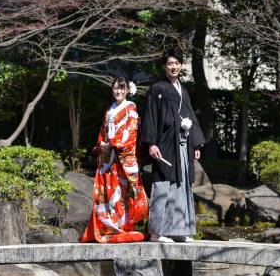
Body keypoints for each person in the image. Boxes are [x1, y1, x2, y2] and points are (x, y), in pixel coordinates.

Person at [140, 48, 205, 242]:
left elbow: (191, 116)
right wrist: (151, 143)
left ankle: (177, 229)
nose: (174, 66)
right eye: (170, 63)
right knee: (163, 184)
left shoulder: (183, 90)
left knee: (181, 183)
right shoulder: (157, 89)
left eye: (177, 63)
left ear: (182, 65)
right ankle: (157, 232)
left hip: (183, 144)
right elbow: (150, 116)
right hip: (165, 143)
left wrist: (195, 145)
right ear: (164, 66)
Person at [79, 76, 149, 243]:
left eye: (122, 88)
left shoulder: (131, 109)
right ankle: (106, 226)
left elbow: (131, 134)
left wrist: (111, 144)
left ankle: (122, 227)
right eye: (116, 88)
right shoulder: (110, 109)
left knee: (121, 193)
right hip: (107, 159)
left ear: (127, 91)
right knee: (107, 192)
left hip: (121, 159)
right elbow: (103, 130)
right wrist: (102, 144)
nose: (118, 91)